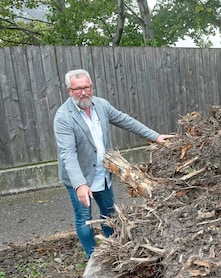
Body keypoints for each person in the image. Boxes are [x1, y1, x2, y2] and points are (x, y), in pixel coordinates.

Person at [54, 69, 175, 258]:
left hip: (102, 172)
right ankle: (93, 257)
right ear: (69, 91)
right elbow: (67, 154)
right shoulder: (64, 117)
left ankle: (114, 249)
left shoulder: (101, 105)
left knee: (109, 214)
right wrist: (79, 184)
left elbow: (126, 121)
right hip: (80, 177)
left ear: (91, 86)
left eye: (87, 87)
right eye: (78, 89)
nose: (84, 92)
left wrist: (155, 136)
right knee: (84, 218)